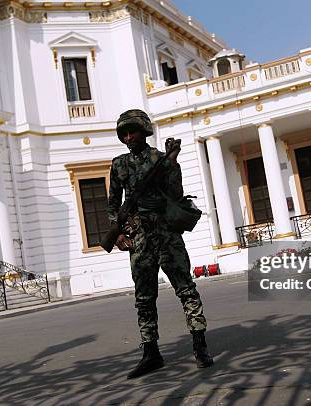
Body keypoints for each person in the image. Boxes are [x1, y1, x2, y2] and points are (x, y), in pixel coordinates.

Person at [107, 109, 214, 379]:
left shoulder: (159, 158)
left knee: (186, 290)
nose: (129, 136)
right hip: (140, 239)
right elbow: (112, 205)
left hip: (166, 234)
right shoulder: (119, 164)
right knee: (144, 298)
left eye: (133, 131)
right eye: (125, 133)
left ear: (144, 130)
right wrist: (118, 233)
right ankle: (150, 353)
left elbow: (176, 194)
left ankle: (200, 346)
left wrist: (173, 162)